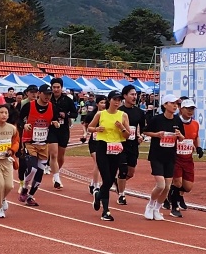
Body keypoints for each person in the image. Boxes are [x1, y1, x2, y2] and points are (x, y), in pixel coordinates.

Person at [85, 91, 129, 221]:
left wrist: (121, 128)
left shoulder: (123, 115)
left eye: (119, 100)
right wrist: (97, 129)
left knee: (110, 180)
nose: (117, 102)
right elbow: (89, 128)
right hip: (103, 148)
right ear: (109, 100)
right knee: (107, 179)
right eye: (115, 99)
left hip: (116, 148)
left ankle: (98, 195)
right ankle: (106, 211)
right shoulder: (100, 114)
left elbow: (127, 135)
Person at [142, 94, 182, 221]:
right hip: (157, 155)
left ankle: (157, 209)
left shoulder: (177, 120)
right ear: (165, 105)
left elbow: (182, 138)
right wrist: (156, 134)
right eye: (172, 103)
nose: (175, 105)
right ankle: (150, 205)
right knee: (161, 185)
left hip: (170, 156)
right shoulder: (156, 119)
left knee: (167, 187)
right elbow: (145, 131)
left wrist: (180, 135)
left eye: (177, 103)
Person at [15, 87, 53, 206]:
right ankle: (25, 188)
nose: (48, 97)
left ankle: (30, 196)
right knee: (32, 169)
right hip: (29, 141)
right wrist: (24, 125)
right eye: (46, 94)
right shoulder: (28, 106)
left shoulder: (52, 107)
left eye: (49, 94)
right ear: (39, 94)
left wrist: (55, 122)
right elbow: (19, 119)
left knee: (40, 172)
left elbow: (56, 118)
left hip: (43, 144)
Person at [169, 98, 202, 217]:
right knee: (177, 183)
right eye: (188, 109)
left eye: (192, 109)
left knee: (188, 187)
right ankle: (174, 206)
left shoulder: (195, 123)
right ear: (181, 109)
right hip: (175, 157)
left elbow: (196, 136)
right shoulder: (174, 122)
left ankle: (171, 193)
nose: (190, 111)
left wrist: (198, 147)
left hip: (188, 158)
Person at [114, 87, 146, 207]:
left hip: (133, 145)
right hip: (121, 144)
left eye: (135, 95)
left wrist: (141, 136)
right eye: (132, 94)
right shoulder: (118, 111)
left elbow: (143, 127)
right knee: (122, 170)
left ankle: (117, 182)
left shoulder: (139, 112)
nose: (134, 97)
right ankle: (121, 195)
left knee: (130, 173)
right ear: (125, 96)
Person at [47, 78, 77, 189]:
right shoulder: (48, 99)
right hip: (51, 129)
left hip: (63, 129)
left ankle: (56, 172)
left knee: (60, 156)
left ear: (61, 88)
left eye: (58, 87)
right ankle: (57, 178)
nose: (56, 89)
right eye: (54, 87)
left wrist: (66, 115)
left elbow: (75, 113)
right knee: (53, 154)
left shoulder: (67, 100)